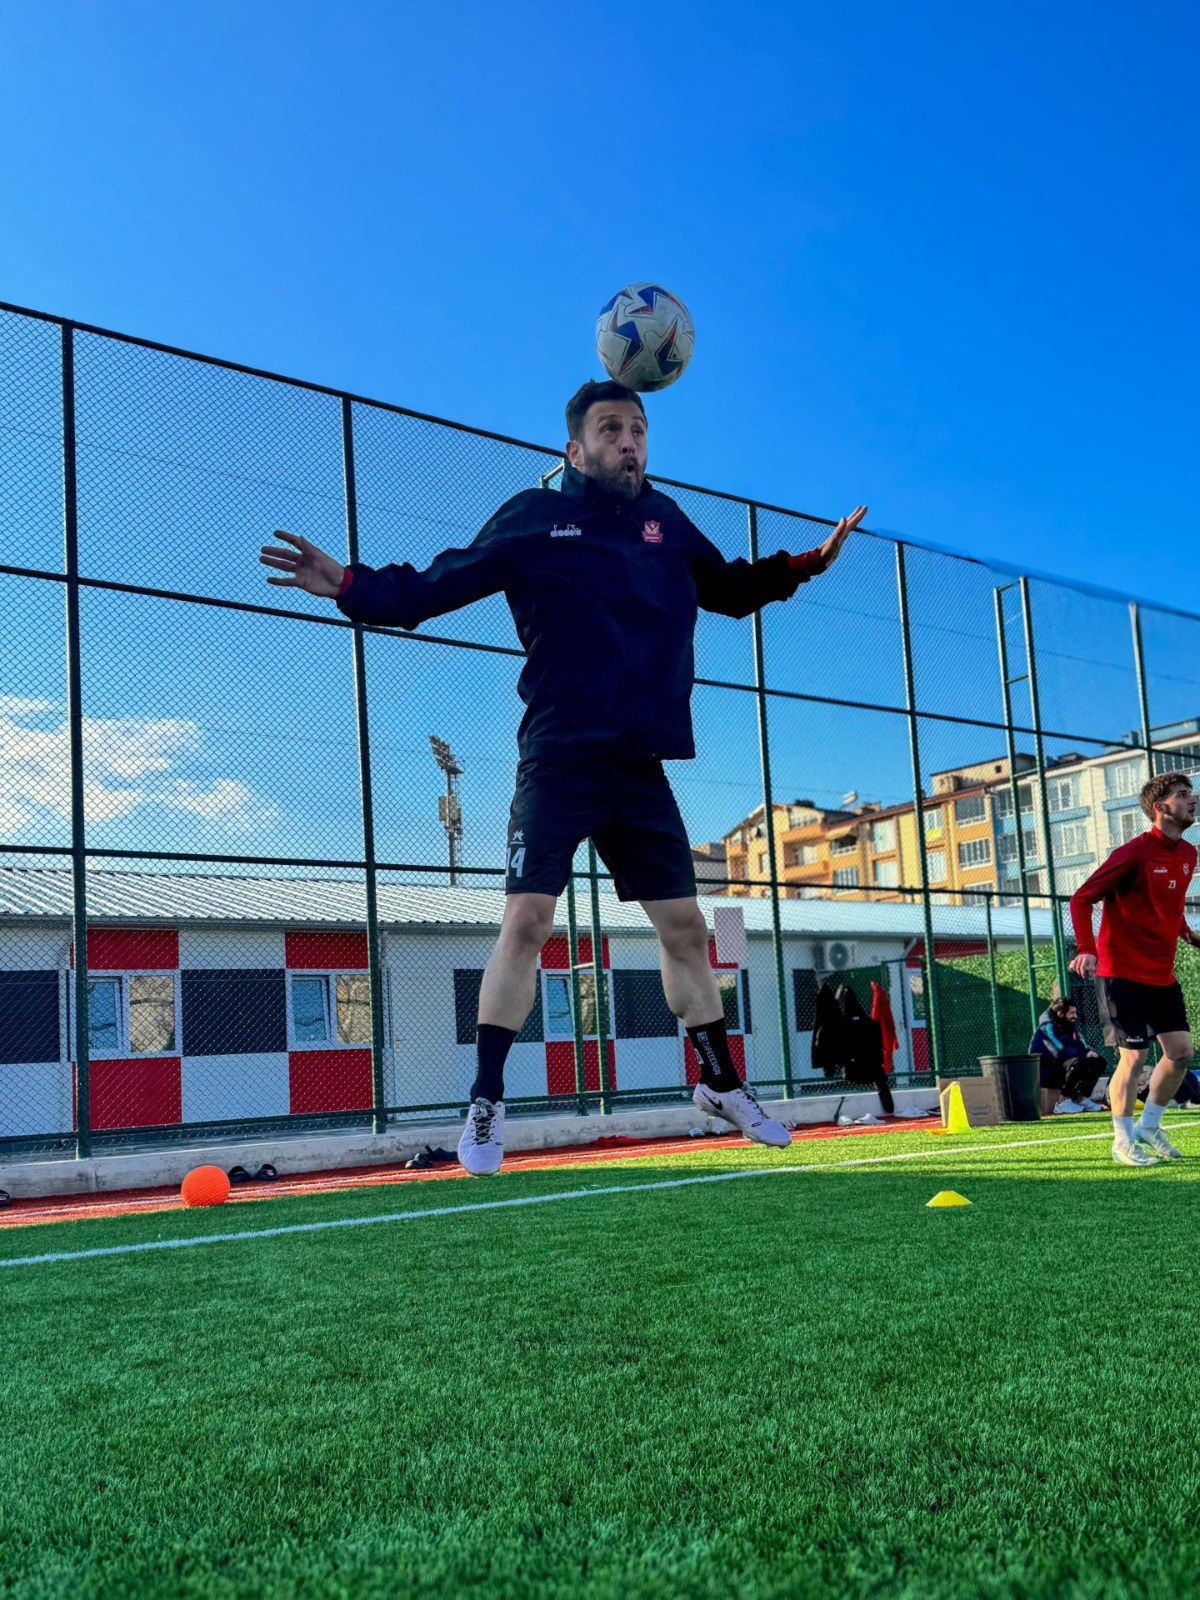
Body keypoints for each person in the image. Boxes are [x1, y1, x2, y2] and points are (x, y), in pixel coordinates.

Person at [261, 379, 866, 1174]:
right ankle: (485, 1103)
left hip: (639, 766)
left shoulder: (667, 522)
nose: (630, 441)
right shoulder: (534, 518)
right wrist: (348, 585)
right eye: (612, 429)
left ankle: (720, 1084)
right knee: (528, 924)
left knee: (685, 930)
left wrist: (806, 563)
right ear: (574, 449)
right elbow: (435, 585)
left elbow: (728, 590)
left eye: (639, 429)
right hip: (558, 756)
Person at [1068, 770, 1199, 1166]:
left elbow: (1167, 902)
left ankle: (1149, 1125)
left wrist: (1188, 933)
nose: (1192, 800)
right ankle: (1122, 1140)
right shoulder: (1133, 853)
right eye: (1182, 794)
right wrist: (1086, 949)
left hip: (1161, 973)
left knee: (1180, 1053)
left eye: (1191, 793)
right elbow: (1081, 899)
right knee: (1134, 1057)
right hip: (1120, 971)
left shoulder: (1189, 853)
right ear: (1160, 808)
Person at [1029, 996, 1106, 1115]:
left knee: (1099, 1062)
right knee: (1078, 1062)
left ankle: (1081, 1098)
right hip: (1047, 1068)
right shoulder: (1047, 1027)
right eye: (1072, 1013)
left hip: (1062, 1064)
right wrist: (1084, 1054)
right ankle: (1062, 1102)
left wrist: (1088, 1053)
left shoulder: (1070, 1026)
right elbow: (1057, 1050)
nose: (1075, 1016)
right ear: (1060, 1013)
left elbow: (1080, 1045)